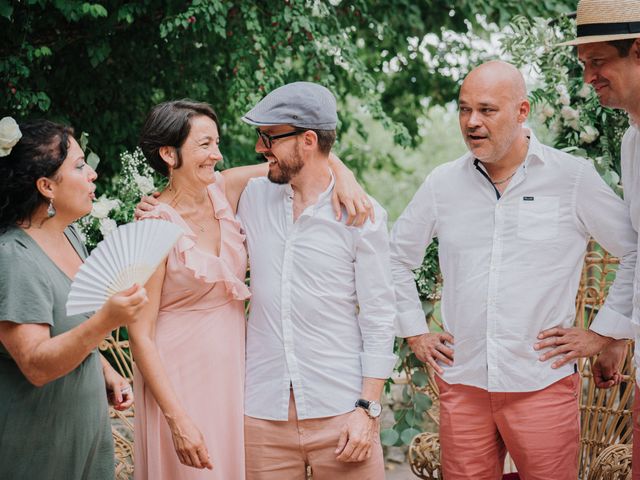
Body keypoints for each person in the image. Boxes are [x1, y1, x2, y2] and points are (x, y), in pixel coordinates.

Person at [389, 60, 637, 479]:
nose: (472, 122)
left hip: (541, 383)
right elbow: (394, 258)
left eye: (487, 110)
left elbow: (634, 250)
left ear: (522, 112)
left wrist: (605, 332)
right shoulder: (441, 184)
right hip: (463, 384)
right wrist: (414, 330)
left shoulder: (571, 178)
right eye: (464, 109)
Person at [130, 99, 373, 480]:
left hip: (235, 379)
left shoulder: (224, 192)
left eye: (216, 142)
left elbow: (306, 160)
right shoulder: (151, 223)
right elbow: (139, 334)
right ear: (169, 154)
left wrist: (345, 174)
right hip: (178, 374)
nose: (217, 154)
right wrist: (176, 418)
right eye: (205, 145)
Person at [237, 82, 396, 480]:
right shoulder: (252, 198)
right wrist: (337, 167)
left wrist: (367, 410)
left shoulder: (363, 214)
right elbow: (196, 186)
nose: (260, 147)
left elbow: (379, 317)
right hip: (262, 416)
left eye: (269, 137)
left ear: (308, 139)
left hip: (342, 413)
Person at [0, 118, 148, 479]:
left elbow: (68, 331)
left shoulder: (72, 238)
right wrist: (107, 321)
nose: (92, 175)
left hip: (86, 435)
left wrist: (105, 371)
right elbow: (35, 364)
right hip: (38, 447)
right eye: (79, 166)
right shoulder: (13, 257)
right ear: (46, 186)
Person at [530, 0, 640, 477]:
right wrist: (612, 334)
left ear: (638, 50)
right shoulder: (632, 141)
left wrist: (609, 331)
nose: (589, 78)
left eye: (598, 62)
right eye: (583, 66)